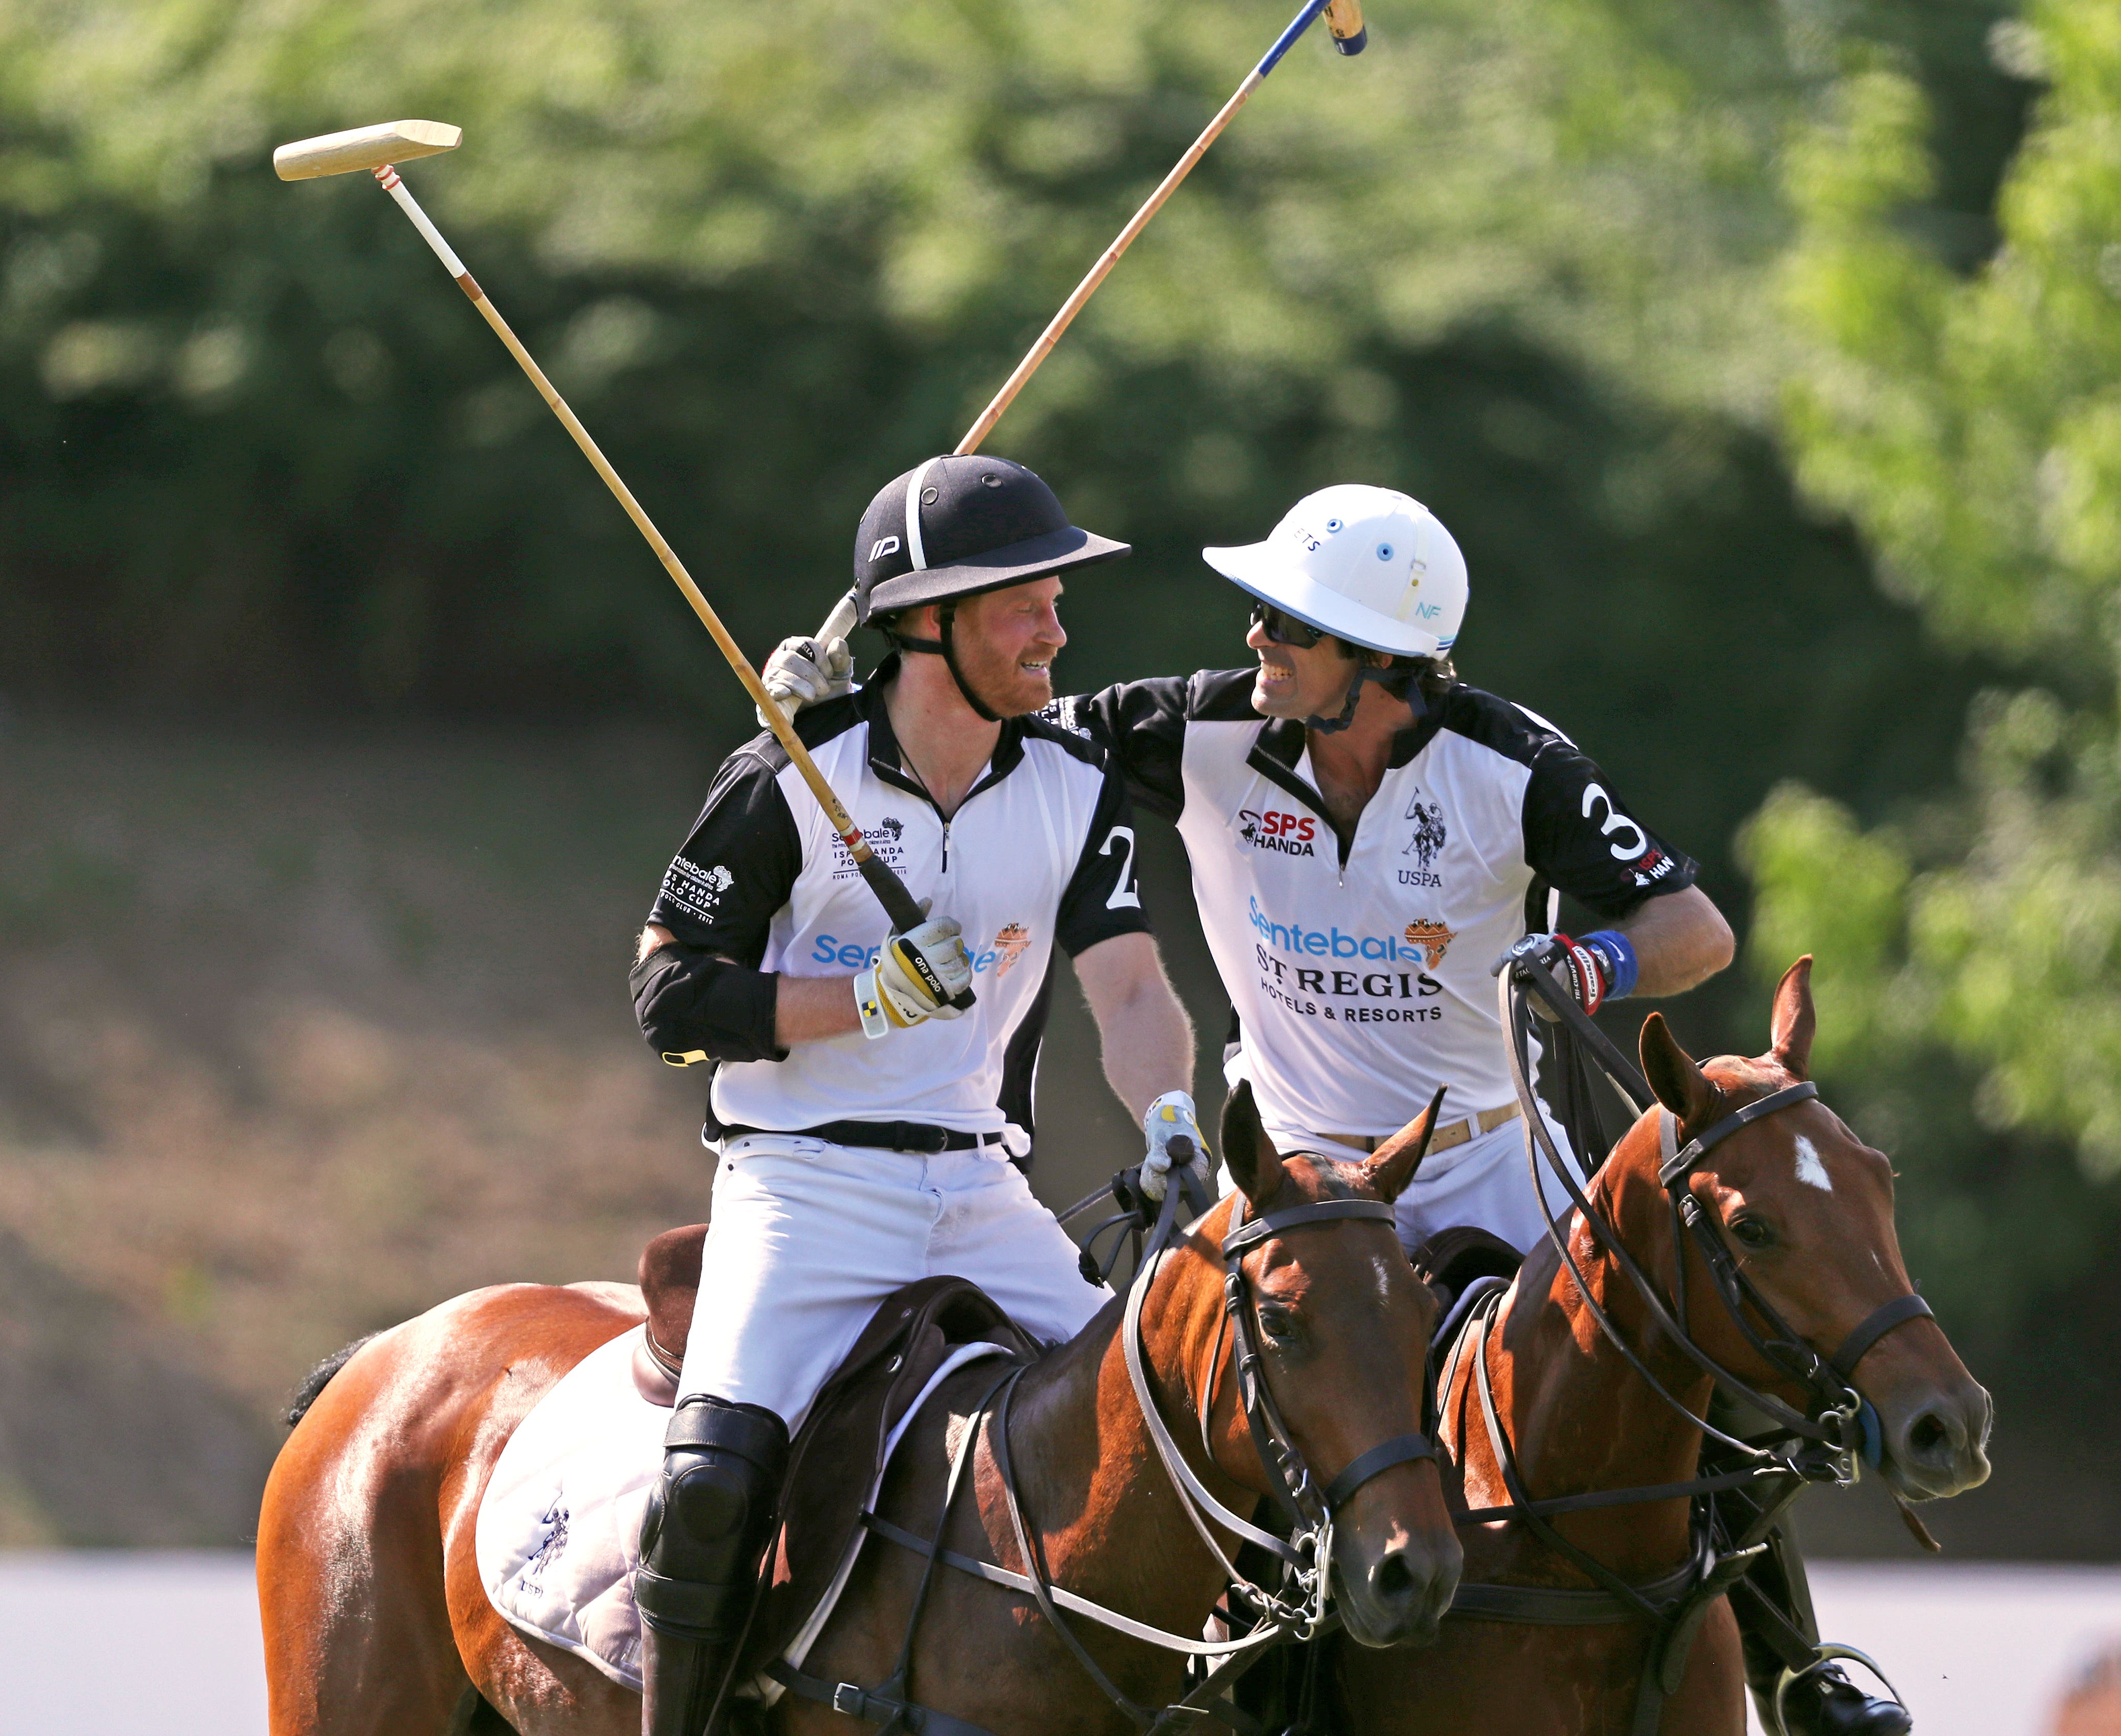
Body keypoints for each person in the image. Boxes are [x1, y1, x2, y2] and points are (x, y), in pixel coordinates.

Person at [770, 481, 1908, 1736]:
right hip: (1291, 1181)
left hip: (1483, 1163)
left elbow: (1691, 927)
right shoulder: (1198, 725)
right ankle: (1229, 1692)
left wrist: (1588, 967)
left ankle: (1793, 1666)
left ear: (1375, 664)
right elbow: (989, 715)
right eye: (1258, 617)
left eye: (1284, 626)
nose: (1253, 639)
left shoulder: (1509, 761)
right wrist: (831, 703)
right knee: (1224, 1425)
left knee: (1670, 1386)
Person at [627, 454, 1202, 1736]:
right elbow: (666, 999)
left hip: (981, 1190)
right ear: (927, 623)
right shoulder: (788, 770)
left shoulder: (1073, 781)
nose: (1058, 628)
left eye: (1056, 598)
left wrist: (1171, 1121)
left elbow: (1127, 989)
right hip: (802, 1184)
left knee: (1177, 1420)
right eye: (1024, 603)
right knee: (715, 1479)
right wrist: (856, 1002)